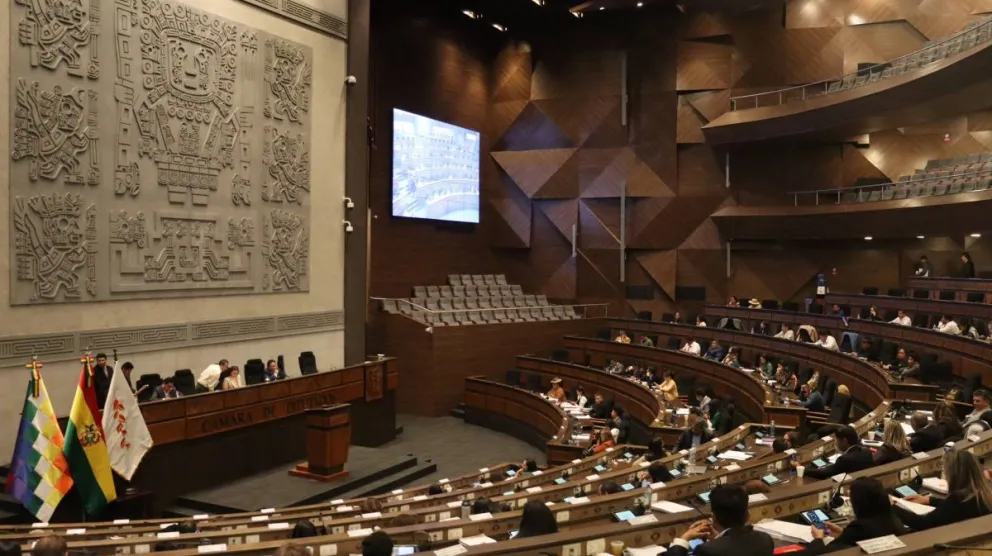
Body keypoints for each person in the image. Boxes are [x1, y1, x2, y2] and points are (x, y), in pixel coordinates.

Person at [893, 450, 992, 530]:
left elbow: (923, 523)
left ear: (955, 474)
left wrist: (892, 507)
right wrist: (928, 500)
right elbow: (955, 506)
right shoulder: (984, 493)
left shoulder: (958, 498)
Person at [666, 484, 774, 556]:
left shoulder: (707, 550)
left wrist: (684, 538)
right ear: (748, 515)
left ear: (714, 517)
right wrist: (718, 538)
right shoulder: (765, 540)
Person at [803, 478, 903, 555]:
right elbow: (857, 540)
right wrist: (843, 533)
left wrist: (818, 538)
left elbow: (822, 553)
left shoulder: (860, 527)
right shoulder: (894, 519)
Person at [801, 426, 873, 479]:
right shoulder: (866, 451)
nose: (836, 443)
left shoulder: (844, 459)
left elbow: (824, 473)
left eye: (837, 440)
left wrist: (802, 469)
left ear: (845, 440)